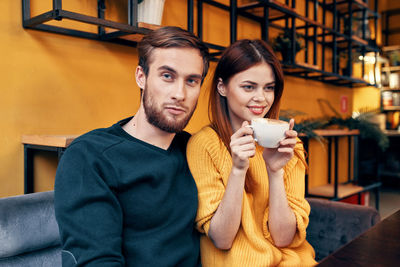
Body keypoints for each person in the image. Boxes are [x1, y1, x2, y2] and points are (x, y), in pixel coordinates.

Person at [54, 26, 210, 266]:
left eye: (191, 81)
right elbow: (97, 261)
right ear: (141, 76)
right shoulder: (90, 157)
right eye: (167, 76)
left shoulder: (197, 150)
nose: (180, 94)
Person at [186, 39, 317, 266]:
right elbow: (222, 239)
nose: (262, 98)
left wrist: (275, 171)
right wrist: (238, 170)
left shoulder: (290, 147)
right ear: (222, 87)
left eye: (269, 87)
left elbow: (284, 238)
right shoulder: (204, 145)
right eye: (249, 87)